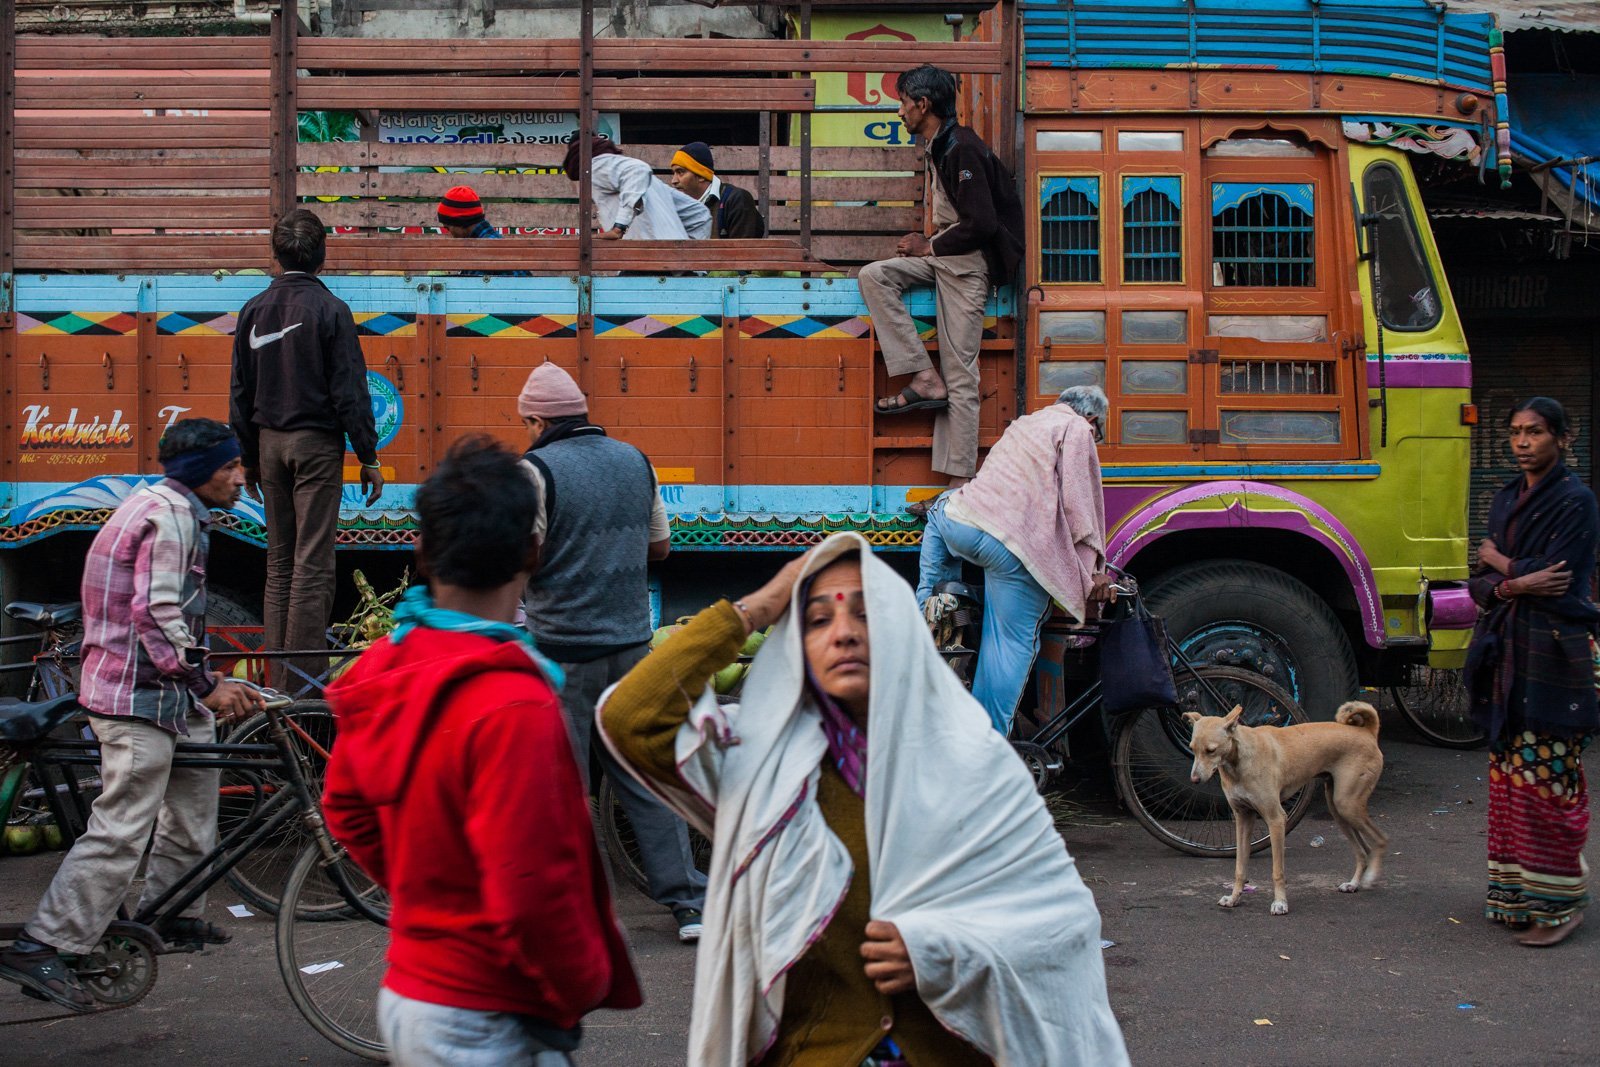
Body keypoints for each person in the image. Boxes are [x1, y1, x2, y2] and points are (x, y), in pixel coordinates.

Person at [599, 534, 1129, 1066]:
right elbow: (631, 717)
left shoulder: (975, 767)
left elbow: (1060, 930)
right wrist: (759, 605)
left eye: (865, 615)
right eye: (817, 620)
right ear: (795, 649)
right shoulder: (762, 770)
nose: (844, 634)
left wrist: (943, 954)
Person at [322, 436, 642, 1064]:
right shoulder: (514, 702)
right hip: (490, 1012)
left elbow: (347, 810)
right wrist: (583, 984)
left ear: (419, 547)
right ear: (534, 550)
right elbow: (531, 885)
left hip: (413, 993)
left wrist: (426, 893)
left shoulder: (385, 666)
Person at [0, 418, 266, 1013]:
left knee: (197, 793)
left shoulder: (171, 505)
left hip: (167, 692)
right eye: (230, 467)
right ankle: (46, 942)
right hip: (135, 694)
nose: (239, 476)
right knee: (124, 825)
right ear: (204, 473)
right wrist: (207, 683)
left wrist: (202, 688)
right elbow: (155, 614)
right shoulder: (169, 515)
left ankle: (170, 914)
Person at [516, 361, 709, 942]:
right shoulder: (635, 460)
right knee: (645, 778)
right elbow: (660, 549)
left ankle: (579, 912)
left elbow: (525, 555)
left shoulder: (534, 470)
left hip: (561, 652)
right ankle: (689, 906)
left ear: (535, 419)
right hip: (631, 647)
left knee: (566, 788)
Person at [229, 207, 383, 690]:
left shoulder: (253, 309)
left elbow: (240, 391)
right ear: (322, 255)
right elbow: (350, 391)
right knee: (312, 565)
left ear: (276, 255)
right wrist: (368, 456)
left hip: (269, 444)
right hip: (316, 445)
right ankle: (300, 691)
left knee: (279, 564)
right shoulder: (331, 310)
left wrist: (250, 457)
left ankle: (275, 684)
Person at [1467, 396, 1599, 948]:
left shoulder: (1576, 502)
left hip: (1555, 655)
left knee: (1545, 776)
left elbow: (1560, 579)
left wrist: (1501, 566)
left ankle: (1559, 903)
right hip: (1507, 654)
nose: (1523, 442)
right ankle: (1516, 895)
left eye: (1536, 432)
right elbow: (1477, 583)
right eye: (1517, 433)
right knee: (1509, 778)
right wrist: (1510, 581)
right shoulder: (1503, 499)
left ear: (1562, 439)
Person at [860, 64, 1025, 489]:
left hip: (967, 266)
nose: (899, 112)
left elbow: (983, 223)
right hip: (944, 257)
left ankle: (957, 487)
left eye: (902, 102)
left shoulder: (961, 147)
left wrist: (928, 246)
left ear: (923, 104)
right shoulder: (939, 144)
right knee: (875, 276)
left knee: (961, 376)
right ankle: (921, 374)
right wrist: (929, 244)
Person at [915, 385, 1113, 734]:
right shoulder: (1078, 428)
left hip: (957, 524)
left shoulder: (1025, 423)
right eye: (1099, 435)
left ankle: (928, 609)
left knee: (939, 514)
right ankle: (984, 745)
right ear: (1093, 419)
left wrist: (931, 586)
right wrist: (1094, 571)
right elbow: (1079, 507)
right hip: (1011, 548)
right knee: (1008, 646)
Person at [563, 135, 711, 241]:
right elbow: (700, 214)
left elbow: (638, 169)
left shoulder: (595, 164)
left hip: (644, 261)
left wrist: (618, 227)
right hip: (671, 267)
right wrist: (690, 262)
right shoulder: (652, 183)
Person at [669, 141, 767, 239]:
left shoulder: (736, 200)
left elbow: (744, 252)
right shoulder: (676, 207)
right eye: (673, 173)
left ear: (701, 176)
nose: (674, 181)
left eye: (680, 172)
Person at [436, 184, 529, 277]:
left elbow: (470, 288)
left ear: (460, 222)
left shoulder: (482, 251)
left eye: (448, 228)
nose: (450, 234)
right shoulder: (490, 240)